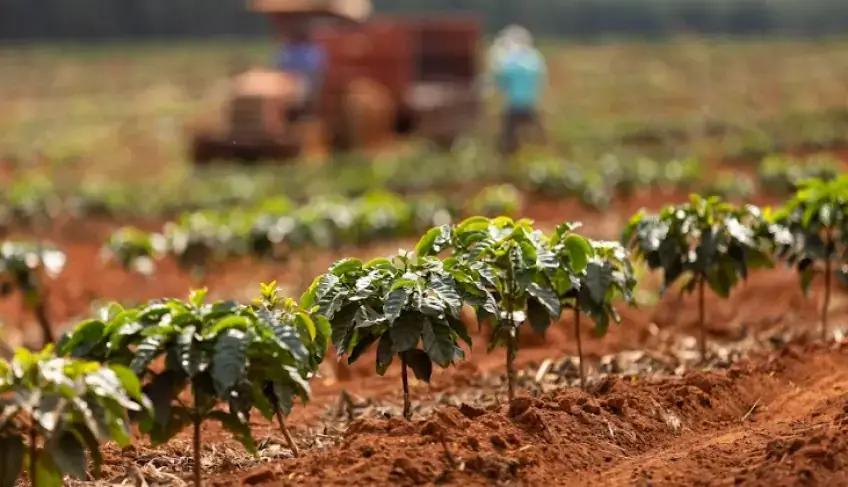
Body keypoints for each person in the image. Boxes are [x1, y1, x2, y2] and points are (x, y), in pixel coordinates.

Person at [491, 25, 548, 156]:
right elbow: (541, 80)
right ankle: (540, 152)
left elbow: (500, 81)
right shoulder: (534, 59)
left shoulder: (510, 61)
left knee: (508, 137)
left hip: (514, 106)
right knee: (537, 135)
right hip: (531, 105)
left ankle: (508, 154)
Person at [275, 22, 326, 117]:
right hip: (285, 82)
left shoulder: (311, 50)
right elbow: (280, 66)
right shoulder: (286, 49)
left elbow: (314, 72)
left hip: (305, 85)